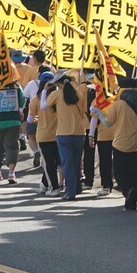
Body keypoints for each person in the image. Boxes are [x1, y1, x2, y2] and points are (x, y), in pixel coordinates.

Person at [102, 89, 137, 211]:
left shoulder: (118, 105)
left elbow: (107, 123)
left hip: (122, 145)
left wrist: (98, 112)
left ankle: (129, 191)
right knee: (134, 172)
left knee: (119, 172)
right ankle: (134, 195)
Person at [49, 71, 89, 200]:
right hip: (79, 133)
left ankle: (70, 192)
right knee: (76, 163)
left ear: (58, 83)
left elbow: (44, 105)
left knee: (67, 164)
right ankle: (77, 188)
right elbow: (83, 112)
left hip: (63, 134)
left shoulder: (56, 94)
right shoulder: (79, 95)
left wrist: (45, 90)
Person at [0, 75, 25, 184]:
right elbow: (22, 101)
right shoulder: (17, 86)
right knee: (12, 146)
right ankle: (11, 173)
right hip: (14, 120)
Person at [30, 71, 61, 196]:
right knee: (53, 162)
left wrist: (38, 119)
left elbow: (29, 120)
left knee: (48, 162)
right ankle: (44, 184)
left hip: (43, 134)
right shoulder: (58, 97)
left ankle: (54, 187)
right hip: (58, 133)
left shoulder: (36, 99)